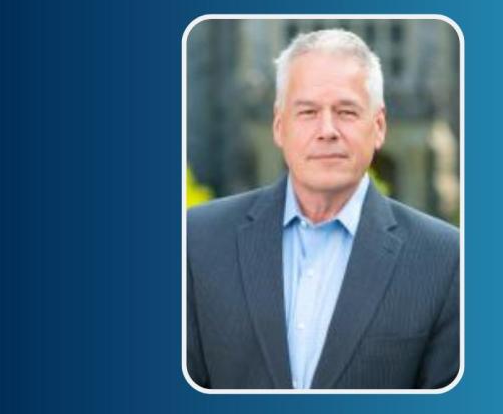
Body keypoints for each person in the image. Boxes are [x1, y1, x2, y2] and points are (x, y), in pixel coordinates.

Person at [185, 29, 460, 390]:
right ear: (279, 127)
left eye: (346, 112)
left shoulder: (445, 258)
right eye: (308, 111)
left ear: (378, 127)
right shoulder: (197, 240)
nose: (327, 130)